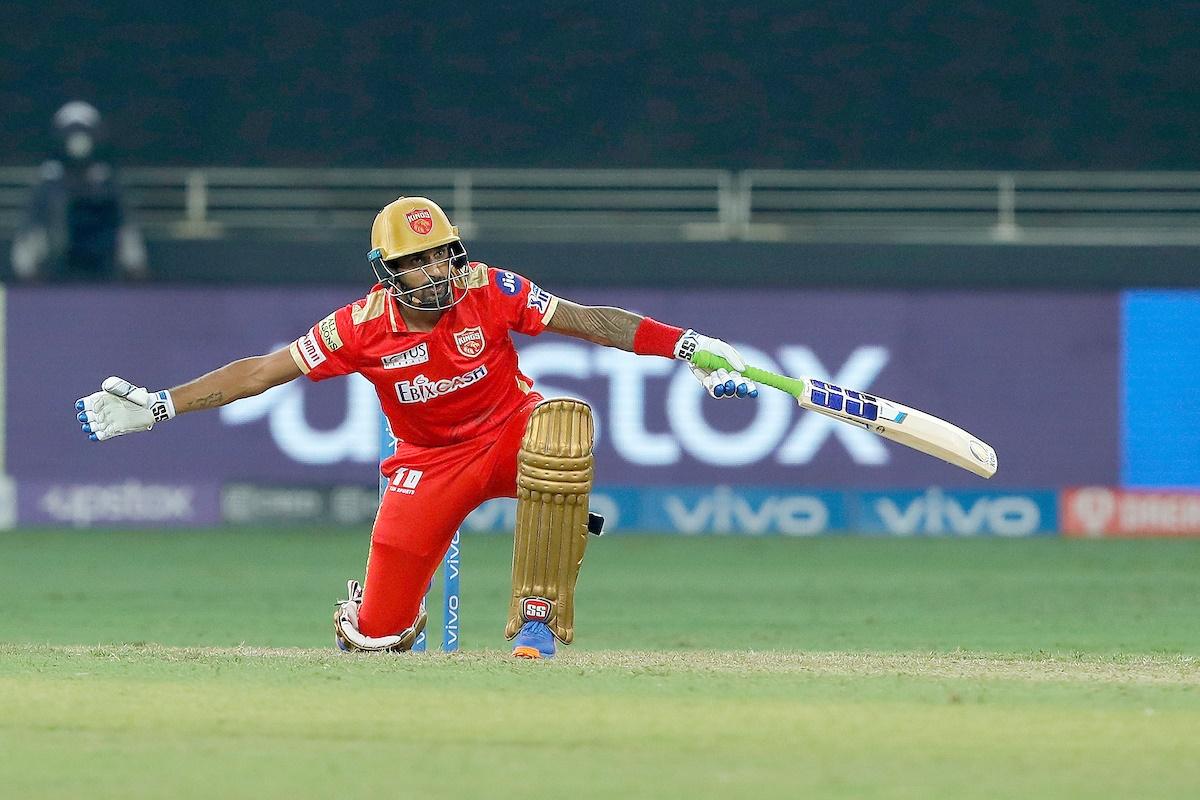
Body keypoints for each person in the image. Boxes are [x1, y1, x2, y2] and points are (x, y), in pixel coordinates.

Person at [74, 196, 756, 658]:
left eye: (444, 256)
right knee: (380, 643)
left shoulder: (489, 287)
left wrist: (688, 346)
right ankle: (368, 614)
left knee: (561, 433)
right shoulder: (359, 327)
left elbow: (590, 320)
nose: (437, 272)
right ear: (386, 271)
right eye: (418, 262)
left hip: (511, 431)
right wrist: (162, 405)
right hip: (427, 462)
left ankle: (538, 619)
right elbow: (259, 372)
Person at [11, 101, 147, 282]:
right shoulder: (48, 184)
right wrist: (26, 269)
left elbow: (125, 228)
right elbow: (31, 227)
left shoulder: (106, 183)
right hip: (55, 272)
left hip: (102, 272)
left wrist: (135, 265)